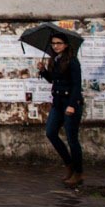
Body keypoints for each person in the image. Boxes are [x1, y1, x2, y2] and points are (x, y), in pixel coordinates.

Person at [37, 32, 84, 187]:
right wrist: (43, 71)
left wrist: (72, 105)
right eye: (53, 43)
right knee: (50, 132)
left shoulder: (72, 61)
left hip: (70, 103)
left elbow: (77, 85)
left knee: (72, 139)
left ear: (66, 45)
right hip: (58, 103)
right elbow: (54, 80)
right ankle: (69, 164)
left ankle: (78, 172)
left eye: (59, 43)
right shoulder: (56, 60)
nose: (56, 46)